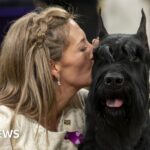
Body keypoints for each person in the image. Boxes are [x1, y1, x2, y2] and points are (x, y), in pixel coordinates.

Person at [0, 6, 98, 149]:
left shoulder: (84, 104)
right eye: (83, 48)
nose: (94, 51)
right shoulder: (6, 127)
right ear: (54, 67)